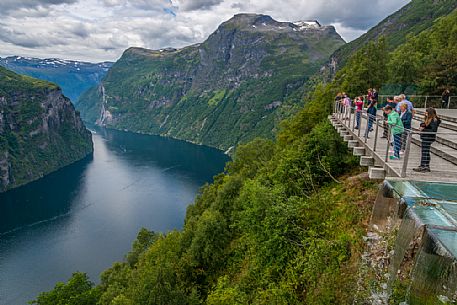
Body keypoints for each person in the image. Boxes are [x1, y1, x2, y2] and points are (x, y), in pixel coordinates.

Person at [413, 108, 441, 172]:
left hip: (428, 137)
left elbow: (433, 130)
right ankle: (425, 165)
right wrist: (422, 125)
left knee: (425, 152)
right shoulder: (428, 119)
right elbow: (427, 126)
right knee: (425, 152)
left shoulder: (434, 120)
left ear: (430, 113)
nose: (425, 114)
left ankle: (423, 166)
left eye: (426, 113)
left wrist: (423, 129)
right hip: (425, 137)